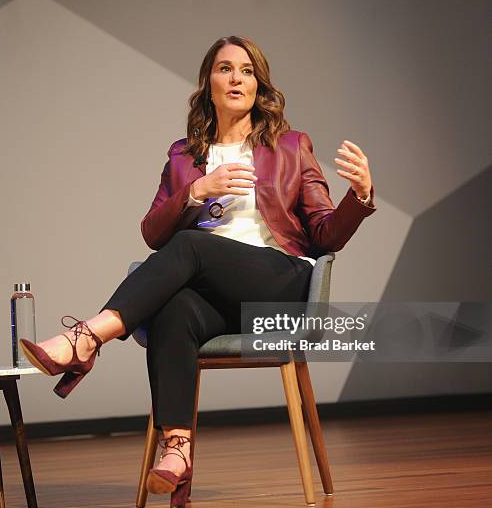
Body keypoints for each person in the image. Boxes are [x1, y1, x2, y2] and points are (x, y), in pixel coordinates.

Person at [21, 35, 375, 506]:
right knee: (174, 309)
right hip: (215, 298)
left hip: (278, 285)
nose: (236, 78)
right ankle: (178, 449)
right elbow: (152, 233)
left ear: (258, 86)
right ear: (208, 82)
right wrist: (195, 190)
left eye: (247, 71)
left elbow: (326, 236)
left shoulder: (291, 146)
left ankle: (87, 338)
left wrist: (361, 195)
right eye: (225, 69)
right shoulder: (183, 156)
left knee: (192, 244)